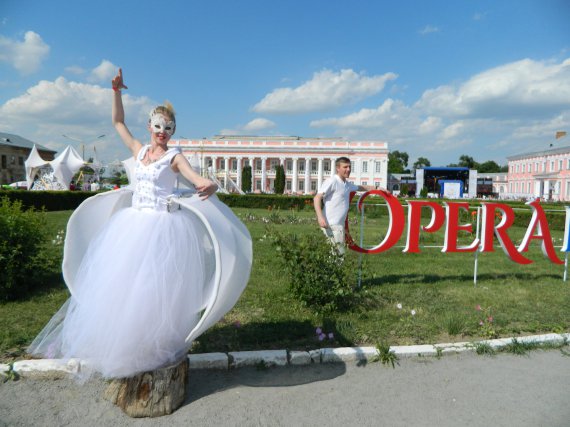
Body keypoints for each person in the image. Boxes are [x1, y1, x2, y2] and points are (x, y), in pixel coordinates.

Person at [28, 68, 248, 380]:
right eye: (158, 125)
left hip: (163, 228)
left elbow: (195, 178)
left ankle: (152, 346)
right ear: (149, 126)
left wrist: (208, 184)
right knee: (125, 286)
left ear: (172, 131)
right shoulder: (139, 150)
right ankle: (126, 345)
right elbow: (117, 122)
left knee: (154, 289)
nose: (163, 131)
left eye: (168, 127)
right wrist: (116, 91)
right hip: (132, 226)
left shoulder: (174, 157)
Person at [313, 157, 370, 254]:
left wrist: (378, 188)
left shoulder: (347, 184)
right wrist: (320, 217)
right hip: (330, 225)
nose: (348, 169)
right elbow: (317, 198)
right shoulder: (332, 181)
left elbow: (361, 187)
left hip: (339, 226)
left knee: (336, 256)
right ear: (338, 168)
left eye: (349, 167)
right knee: (338, 256)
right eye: (345, 167)